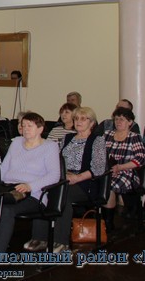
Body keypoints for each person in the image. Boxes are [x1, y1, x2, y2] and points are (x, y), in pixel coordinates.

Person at [24, 106, 106, 252]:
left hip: (84, 183)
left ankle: (60, 241)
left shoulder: (97, 141)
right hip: (62, 178)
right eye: (76, 119)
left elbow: (98, 168)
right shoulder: (67, 138)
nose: (78, 121)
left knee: (63, 196)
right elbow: (54, 159)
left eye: (83, 118)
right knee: (42, 191)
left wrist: (77, 177)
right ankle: (39, 238)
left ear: (92, 123)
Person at [0, 112, 60, 252]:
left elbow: (54, 176)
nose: (25, 128)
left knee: (6, 210)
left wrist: (29, 186)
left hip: (33, 193)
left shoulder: (50, 147)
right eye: (23, 125)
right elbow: (3, 168)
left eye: (30, 126)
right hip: (8, 188)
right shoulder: (16, 142)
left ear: (40, 129)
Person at [103, 106, 145, 228]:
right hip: (107, 171)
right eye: (116, 119)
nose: (118, 122)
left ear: (130, 122)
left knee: (108, 186)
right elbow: (99, 155)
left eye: (122, 119)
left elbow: (140, 159)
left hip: (127, 173)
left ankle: (108, 223)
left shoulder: (134, 137)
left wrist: (120, 168)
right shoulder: (107, 135)